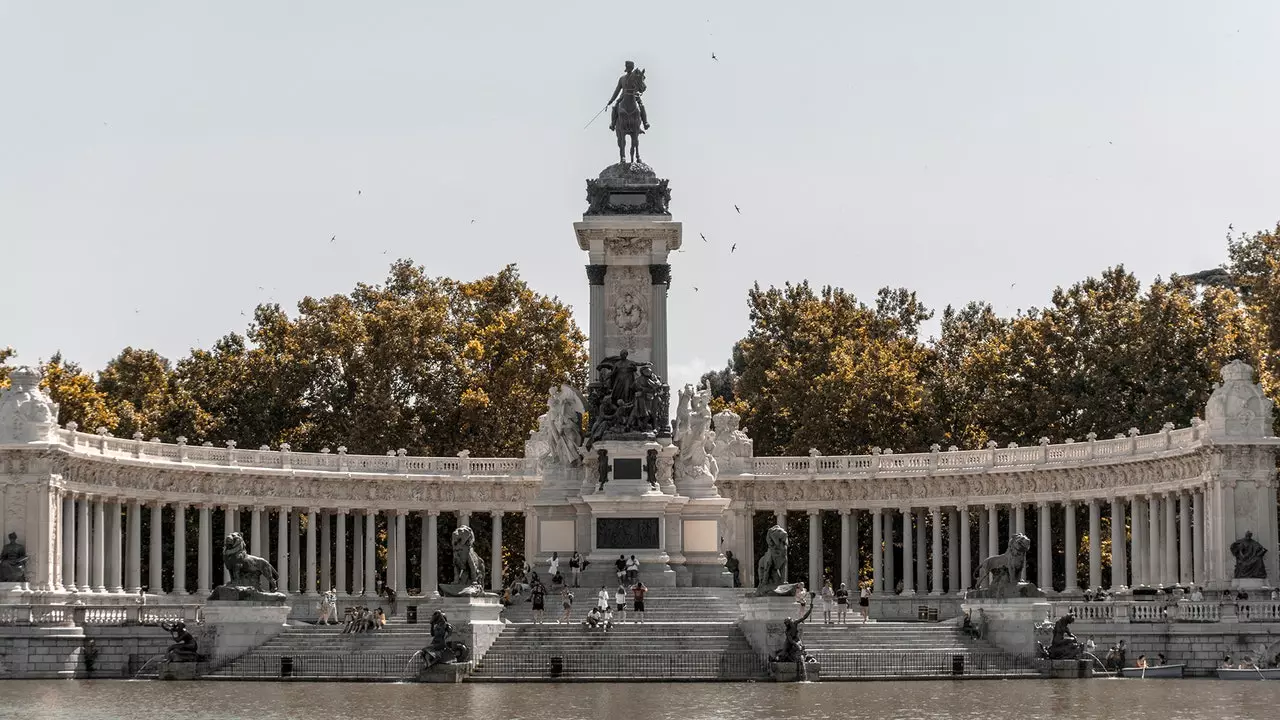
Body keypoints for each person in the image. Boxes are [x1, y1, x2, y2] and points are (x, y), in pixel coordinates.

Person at [607, 60, 650, 132]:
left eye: (630, 67)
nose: (629, 68)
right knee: (615, 107)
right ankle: (613, 124)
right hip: (623, 96)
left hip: (634, 95)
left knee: (641, 105)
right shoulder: (622, 78)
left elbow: (641, 82)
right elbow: (617, 90)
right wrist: (611, 100)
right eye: (628, 67)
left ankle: (645, 122)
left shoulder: (636, 76)